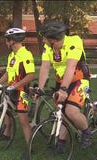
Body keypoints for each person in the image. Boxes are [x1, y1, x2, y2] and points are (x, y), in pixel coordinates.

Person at [37, 20, 92, 151]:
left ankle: (86, 132)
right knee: (62, 113)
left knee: (71, 112)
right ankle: (61, 144)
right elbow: (45, 67)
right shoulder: (49, 48)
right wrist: (39, 88)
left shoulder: (74, 41)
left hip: (79, 80)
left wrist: (63, 90)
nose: (43, 41)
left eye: (45, 38)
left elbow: (71, 66)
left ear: (53, 40)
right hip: (61, 82)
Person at [0, 28, 35, 159]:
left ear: (13, 41)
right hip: (11, 89)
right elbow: (8, 73)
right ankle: (6, 134)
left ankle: (29, 149)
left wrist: (16, 86)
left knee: (23, 121)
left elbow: (30, 76)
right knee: (7, 111)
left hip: (22, 91)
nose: (6, 42)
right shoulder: (12, 55)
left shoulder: (26, 54)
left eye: (7, 40)